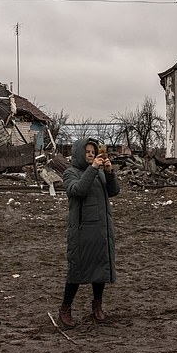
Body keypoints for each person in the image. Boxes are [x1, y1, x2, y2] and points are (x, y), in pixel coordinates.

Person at [58, 137, 120, 329]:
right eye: (87, 152)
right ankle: (65, 309)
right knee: (77, 270)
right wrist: (93, 169)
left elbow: (114, 191)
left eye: (93, 152)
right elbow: (79, 190)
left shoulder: (99, 174)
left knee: (100, 268)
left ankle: (97, 305)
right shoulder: (70, 173)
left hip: (101, 229)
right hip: (82, 230)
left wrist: (109, 173)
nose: (91, 154)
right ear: (78, 153)